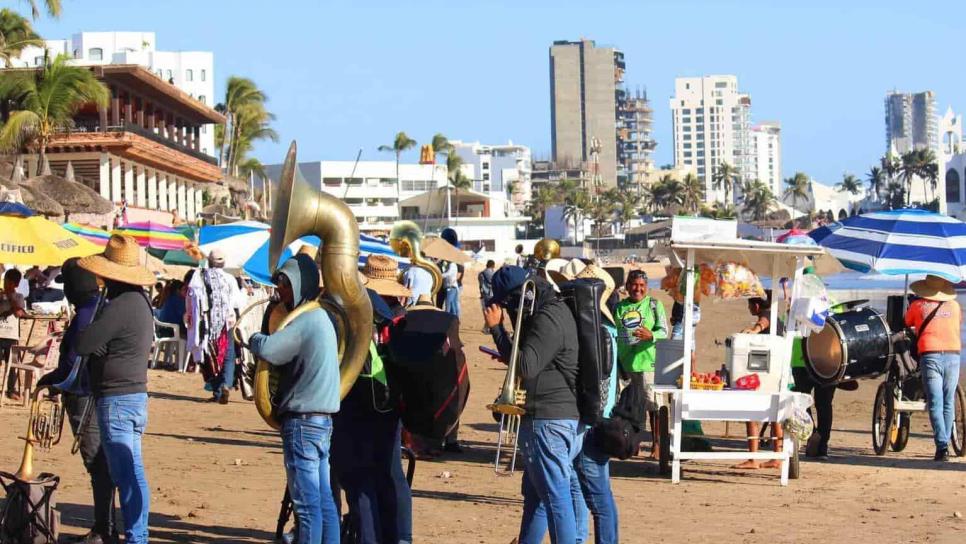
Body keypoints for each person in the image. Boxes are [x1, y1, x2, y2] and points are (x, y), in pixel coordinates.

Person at [483, 266, 580, 544]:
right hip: (548, 415)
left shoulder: (548, 316)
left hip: (547, 418)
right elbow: (528, 358)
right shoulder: (547, 311)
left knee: (554, 497)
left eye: (506, 302)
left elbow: (525, 365)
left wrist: (497, 329)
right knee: (536, 497)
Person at [247, 254, 341, 543]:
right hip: (321, 421)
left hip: (302, 423)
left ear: (302, 285)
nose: (281, 292)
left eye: (286, 285)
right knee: (324, 502)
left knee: (308, 507)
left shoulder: (306, 320)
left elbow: (271, 350)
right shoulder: (322, 317)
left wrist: (254, 339)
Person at [75, 234, 156, 544]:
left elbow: (85, 343)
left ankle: (137, 537)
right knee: (132, 470)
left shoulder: (122, 305)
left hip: (118, 400)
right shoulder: (140, 303)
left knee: (128, 475)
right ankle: (138, 535)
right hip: (133, 397)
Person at [331, 254, 413, 544]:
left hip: (358, 402)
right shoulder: (402, 314)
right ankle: (400, 537)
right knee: (391, 475)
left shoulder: (361, 307)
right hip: (390, 403)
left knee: (358, 478)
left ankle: (369, 537)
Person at [37, 258, 117, 544]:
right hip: (96, 393)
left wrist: (52, 381)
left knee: (97, 464)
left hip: (84, 395)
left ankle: (104, 529)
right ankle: (105, 526)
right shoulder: (98, 306)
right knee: (102, 464)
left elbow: (73, 363)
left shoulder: (86, 313)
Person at [905, 274, 962, 462]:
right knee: (948, 401)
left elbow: (907, 323)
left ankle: (942, 446)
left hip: (930, 354)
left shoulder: (918, 305)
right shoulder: (954, 306)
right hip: (953, 355)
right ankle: (944, 442)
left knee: (935, 402)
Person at [614, 269, 668, 458]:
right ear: (628, 286)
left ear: (647, 288)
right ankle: (632, 444)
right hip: (624, 365)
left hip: (648, 364)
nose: (638, 289)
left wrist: (651, 335)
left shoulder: (654, 305)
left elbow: (664, 331)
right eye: (634, 285)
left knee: (653, 407)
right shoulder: (619, 307)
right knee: (629, 408)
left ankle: (657, 445)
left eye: (642, 286)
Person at [736, 291, 784, 469]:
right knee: (775, 417)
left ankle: (753, 458)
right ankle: (777, 457)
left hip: (765, 374)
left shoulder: (766, 316)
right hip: (777, 372)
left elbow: (761, 324)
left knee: (751, 415)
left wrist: (752, 331)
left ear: (756, 306)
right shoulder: (776, 317)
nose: (749, 308)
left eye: (749, 305)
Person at [188, 248, 242, 403]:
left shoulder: (199, 277)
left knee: (210, 356)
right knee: (228, 355)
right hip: (227, 323)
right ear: (223, 263)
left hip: (206, 324)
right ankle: (225, 385)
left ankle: (217, 391)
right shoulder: (229, 279)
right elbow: (238, 302)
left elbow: (191, 297)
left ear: (209, 261)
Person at [1, 268, 27, 400]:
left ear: (16, 284)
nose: (7, 285)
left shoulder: (19, 297)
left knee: (12, 364)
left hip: (11, 334)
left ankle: (11, 389)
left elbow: (19, 313)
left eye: (10, 283)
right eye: (6, 282)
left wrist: (11, 298)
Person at [478, 260, 496, 333]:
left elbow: (480, 284)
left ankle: (486, 327)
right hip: (490, 294)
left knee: (486, 310)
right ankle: (487, 328)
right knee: (490, 311)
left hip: (483, 294)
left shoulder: (481, 273)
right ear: (493, 265)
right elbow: (494, 281)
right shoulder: (491, 273)